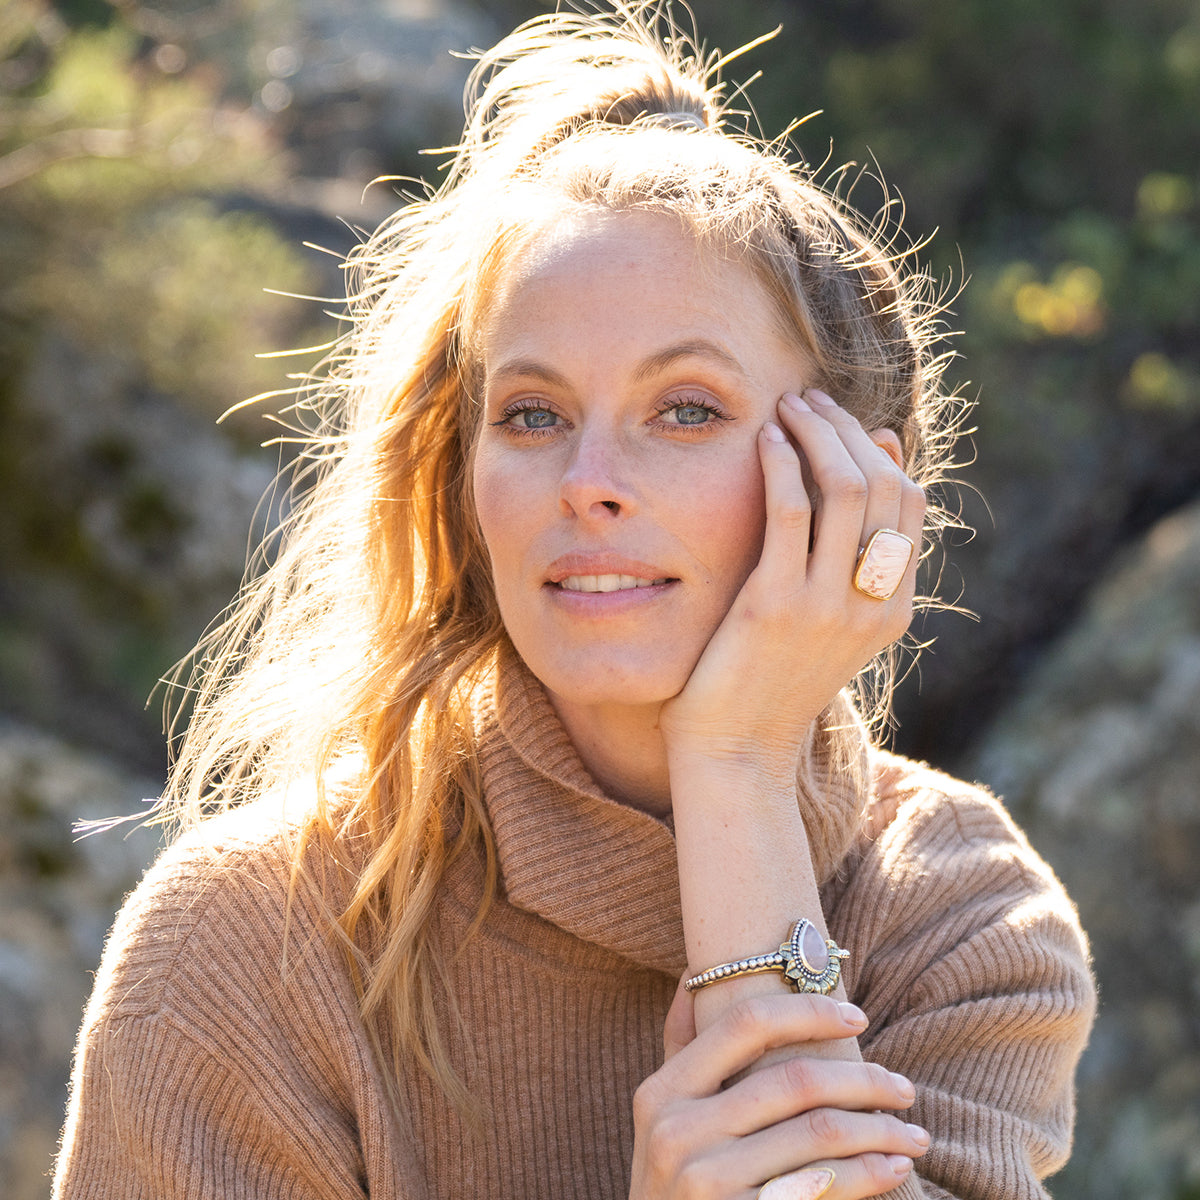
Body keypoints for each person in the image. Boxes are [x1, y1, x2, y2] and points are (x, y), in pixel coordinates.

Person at [52, 4, 1095, 1198]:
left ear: (864, 482)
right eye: (533, 414)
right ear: (462, 468)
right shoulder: (249, 944)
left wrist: (739, 764)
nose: (588, 484)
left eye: (685, 409)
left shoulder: (956, 916)